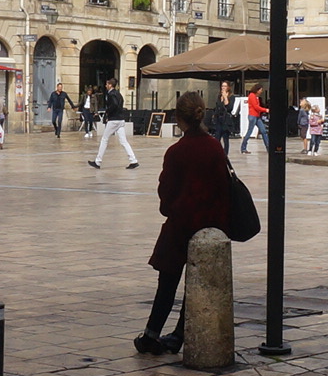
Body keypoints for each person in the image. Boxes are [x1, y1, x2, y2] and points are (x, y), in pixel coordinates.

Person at [136, 92, 231, 355]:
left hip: (180, 225)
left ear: (179, 118)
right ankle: (179, 333)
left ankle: (151, 334)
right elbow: (223, 187)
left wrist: (172, 208)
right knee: (197, 284)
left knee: (167, 283)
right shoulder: (214, 147)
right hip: (210, 226)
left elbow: (166, 192)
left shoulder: (176, 152)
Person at [90, 77, 137, 170]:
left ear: (110, 85)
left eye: (107, 84)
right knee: (123, 141)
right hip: (120, 119)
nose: (105, 85)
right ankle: (133, 160)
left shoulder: (111, 94)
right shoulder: (119, 94)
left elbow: (114, 105)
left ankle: (98, 161)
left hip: (114, 120)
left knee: (104, 139)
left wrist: (107, 113)